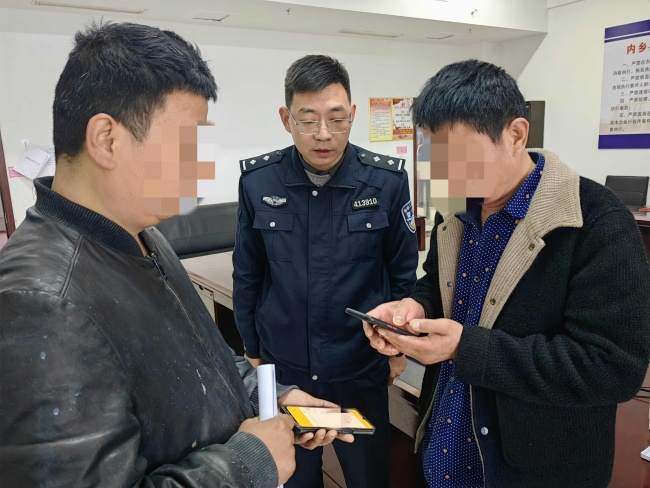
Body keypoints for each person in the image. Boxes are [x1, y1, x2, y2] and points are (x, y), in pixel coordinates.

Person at [0, 22, 353, 488]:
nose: (198, 167)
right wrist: (251, 462)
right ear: (106, 139)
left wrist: (275, 399)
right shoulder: (42, 302)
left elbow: (206, 360)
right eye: (186, 143)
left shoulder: (143, 237)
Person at [363, 59, 650, 488]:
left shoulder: (595, 221)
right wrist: (412, 308)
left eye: (461, 156)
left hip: (536, 471)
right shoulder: (455, 207)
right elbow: (438, 286)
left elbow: (613, 368)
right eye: (435, 156)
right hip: (444, 451)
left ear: (516, 135)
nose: (446, 174)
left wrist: (466, 348)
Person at [233, 54, 419, 488]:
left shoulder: (386, 182)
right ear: (286, 119)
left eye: (336, 119)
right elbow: (248, 274)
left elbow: (403, 275)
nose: (323, 134)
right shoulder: (259, 182)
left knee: (369, 477)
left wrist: (398, 350)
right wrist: (253, 351)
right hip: (287, 369)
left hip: (360, 366)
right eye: (308, 120)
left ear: (352, 115)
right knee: (294, 478)